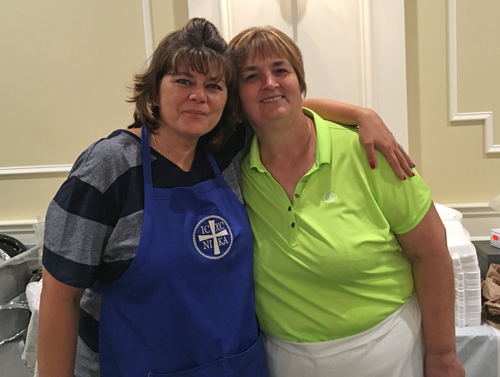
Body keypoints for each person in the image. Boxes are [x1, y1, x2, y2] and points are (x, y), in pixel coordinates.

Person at [37, 18, 413, 377]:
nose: (199, 96)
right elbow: (60, 297)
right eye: (184, 80)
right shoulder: (109, 168)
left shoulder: (225, 150)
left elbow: (282, 106)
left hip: (235, 365)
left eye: (214, 86)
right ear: (153, 89)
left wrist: (362, 115)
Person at [229, 26, 465, 377]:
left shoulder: (368, 151)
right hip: (283, 358)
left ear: (299, 80)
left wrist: (443, 354)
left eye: (281, 70)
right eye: (252, 76)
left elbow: (429, 253)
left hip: (386, 352)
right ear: (237, 98)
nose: (270, 82)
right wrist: (361, 111)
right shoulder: (234, 162)